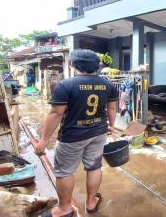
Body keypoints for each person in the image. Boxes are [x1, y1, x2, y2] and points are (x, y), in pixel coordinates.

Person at [35, 49, 118, 217]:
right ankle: (91, 202)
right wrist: (112, 125)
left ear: (73, 64)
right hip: (98, 133)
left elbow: (56, 113)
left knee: (64, 172)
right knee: (94, 167)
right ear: (96, 65)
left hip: (72, 137)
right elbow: (112, 107)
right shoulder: (108, 85)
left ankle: (65, 209)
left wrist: (43, 140)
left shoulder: (66, 85)